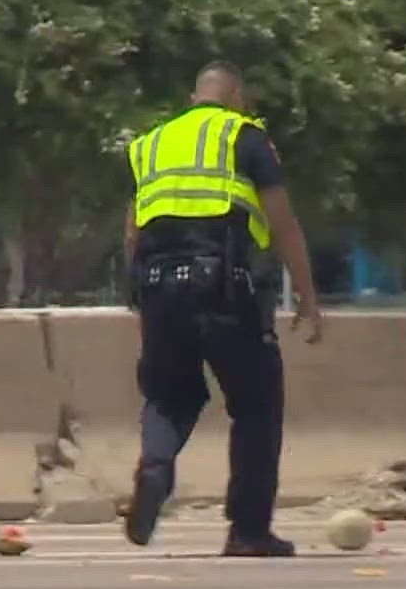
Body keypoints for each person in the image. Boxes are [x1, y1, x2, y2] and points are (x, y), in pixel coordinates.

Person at [121, 61, 323, 557]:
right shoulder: (246, 137)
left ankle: (155, 464)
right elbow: (282, 223)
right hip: (225, 291)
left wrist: (141, 297)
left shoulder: (151, 143)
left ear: (194, 97)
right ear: (237, 97)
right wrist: (308, 297)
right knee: (256, 405)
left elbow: (132, 231)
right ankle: (249, 531)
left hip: (158, 288)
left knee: (169, 396)